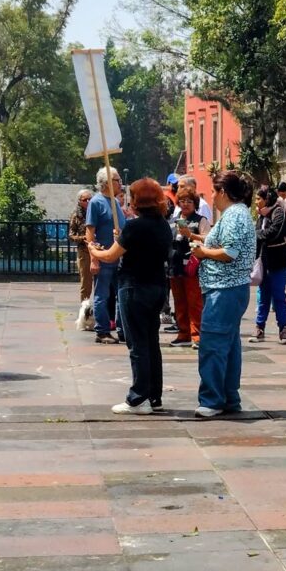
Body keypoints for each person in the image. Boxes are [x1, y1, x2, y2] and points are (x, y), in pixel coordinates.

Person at [89, 178, 173, 415]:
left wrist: (93, 250)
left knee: (137, 345)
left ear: (137, 201)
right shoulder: (162, 225)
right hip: (157, 287)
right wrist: (122, 236)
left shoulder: (135, 227)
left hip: (134, 287)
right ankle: (154, 396)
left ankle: (138, 398)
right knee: (151, 343)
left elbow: (110, 256)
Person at [191, 170, 255, 418]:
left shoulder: (234, 215)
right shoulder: (237, 214)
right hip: (228, 288)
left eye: (214, 192)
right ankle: (228, 397)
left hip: (225, 288)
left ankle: (212, 399)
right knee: (228, 345)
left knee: (214, 344)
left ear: (223, 193)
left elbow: (230, 252)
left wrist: (203, 253)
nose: (212, 198)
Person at [86, 166, 127, 344]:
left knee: (121, 295)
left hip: (118, 256)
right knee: (102, 295)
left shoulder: (116, 202)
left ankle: (122, 329)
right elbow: (90, 232)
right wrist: (94, 258)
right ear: (108, 183)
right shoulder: (96, 202)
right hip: (104, 256)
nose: (121, 183)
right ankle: (102, 330)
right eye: (118, 180)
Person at [248, 186, 286, 344]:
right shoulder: (261, 216)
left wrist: (256, 235)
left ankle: (283, 329)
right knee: (263, 296)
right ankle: (260, 328)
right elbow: (260, 237)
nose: (256, 201)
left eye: (258, 198)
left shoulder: (278, 212)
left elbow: (275, 232)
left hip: (279, 260)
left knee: (279, 295)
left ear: (266, 199)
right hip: (264, 260)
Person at [169, 185, 210, 349]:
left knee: (194, 302)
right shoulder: (173, 221)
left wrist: (190, 235)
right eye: (182, 201)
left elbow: (207, 239)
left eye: (189, 201)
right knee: (179, 301)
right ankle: (183, 333)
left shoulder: (201, 220)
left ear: (195, 203)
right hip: (175, 266)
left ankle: (196, 335)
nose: (185, 204)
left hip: (192, 267)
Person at [68, 189, 93, 303]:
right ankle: (85, 309)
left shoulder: (95, 212)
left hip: (99, 249)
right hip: (84, 251)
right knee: (86, 283)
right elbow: (71, 235)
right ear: (79, 201)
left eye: (90, 199)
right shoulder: (76, 215)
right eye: (85, 200)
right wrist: (84, 238)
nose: (88, 201)